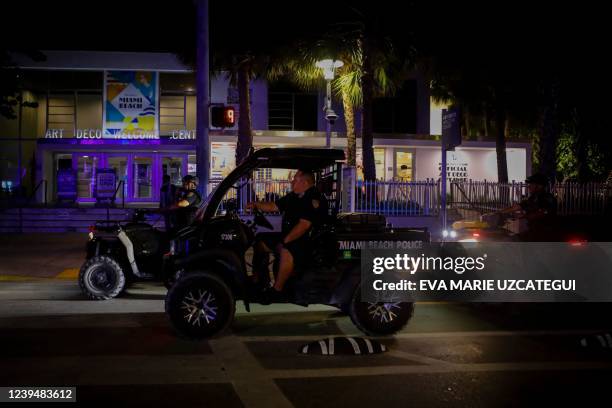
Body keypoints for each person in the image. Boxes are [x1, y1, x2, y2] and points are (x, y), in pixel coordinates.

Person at [247, 169, 327, 302]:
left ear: (305, 182)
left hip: (307, 239)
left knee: (286, 248)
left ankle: (277, 290)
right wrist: (256, 204)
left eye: (295, 179)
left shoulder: (313, 197)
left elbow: (304, 225)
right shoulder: (294, 196)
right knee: (260, 242)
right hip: (291, 234)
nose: (291, 181)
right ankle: (259, 280)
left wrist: (285, 241)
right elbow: (273, 206)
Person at [496, 173, 557, 240]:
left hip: (543, 234)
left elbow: (542, 212)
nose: (529, 186)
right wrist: (499, 212)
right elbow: (518, 206)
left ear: (539, 186)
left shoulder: (547, 198)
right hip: (532, 231)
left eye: (531, 184)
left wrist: (525, 217)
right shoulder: (533, 198)